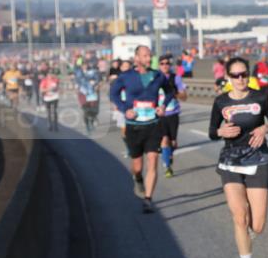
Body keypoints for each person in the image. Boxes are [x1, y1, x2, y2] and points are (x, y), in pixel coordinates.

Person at [208, 57, 268, 258]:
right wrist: (221, 130)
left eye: (244, 74)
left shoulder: (260, 97)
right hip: (231, 160)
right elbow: (212, 132)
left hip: (257, 159)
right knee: (239, 217)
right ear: (228, 78)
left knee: (257, 225)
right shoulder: (221, 101)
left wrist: (264, 127)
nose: (240, 79)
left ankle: (249, 229)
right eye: (236, 75)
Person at [110, 46, 170, 213]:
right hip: (134, 127)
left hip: (153, 125)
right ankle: (137, 178)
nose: (148, 58)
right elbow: (113, 94)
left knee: (153, 161)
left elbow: (170, 91)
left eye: (150, 55)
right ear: (136, 58)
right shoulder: (126, 77)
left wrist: (163, 106)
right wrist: (124, 109)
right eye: (145, 55)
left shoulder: (157, 75)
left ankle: (148, 199)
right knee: (137, 165)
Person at [158, 55, 188, 178]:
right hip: (159, 115)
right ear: (159, 65)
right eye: (162, 63)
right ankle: (167, 166)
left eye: (167, 63)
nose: (165, 65)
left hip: (173, 114)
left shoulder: (176, 78)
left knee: (173, 143)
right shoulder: (155, 78)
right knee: (164, 141)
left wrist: (175, 92)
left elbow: (184, 97)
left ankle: (168, 156)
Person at [75, 59, 102, 134]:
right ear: (81, 66)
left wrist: (97, 85)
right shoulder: (78, 73)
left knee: (93, 110)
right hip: (83, 93)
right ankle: (87, 125)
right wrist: (77, 88)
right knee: (85, 110)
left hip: (92, 92)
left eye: (86, 64)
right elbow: (76, 82)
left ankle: (92, 122)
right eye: (83, 65)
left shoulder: (93, 72)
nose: (84, 66)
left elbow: (98, 80)